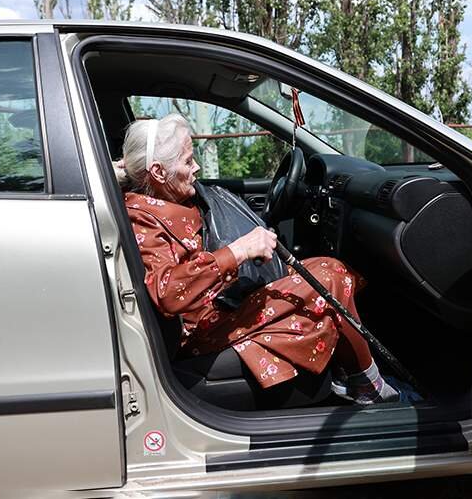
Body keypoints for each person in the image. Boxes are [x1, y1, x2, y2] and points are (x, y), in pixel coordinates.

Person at [120, 113, 411, 405]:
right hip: (204, 328)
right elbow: (168, 292)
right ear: (158, 173)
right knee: (327, 278)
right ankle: (368, 385)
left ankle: (359, 378)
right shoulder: (143, 219)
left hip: (222, 302)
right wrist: (239, 251)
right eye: (187, 161)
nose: (195, 167)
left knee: (326, 268)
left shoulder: (166, 200)